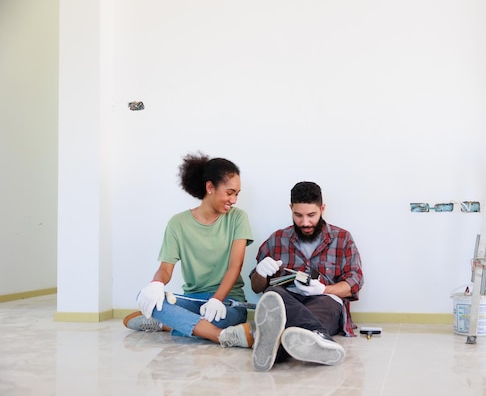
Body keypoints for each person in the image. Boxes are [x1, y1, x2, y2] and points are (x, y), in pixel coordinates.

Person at [123, 152, 254, 348]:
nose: (234, 200)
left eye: (237, 194)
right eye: (229, 193)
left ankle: (167, 323)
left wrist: (217, 299)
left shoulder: (238, 218)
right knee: (145, 297)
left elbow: (235, 266)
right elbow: (166, 269)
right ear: (210, 187)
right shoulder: (178, 224)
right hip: (192, 298)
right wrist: (156, 284)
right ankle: (222, 336)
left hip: (228, 299)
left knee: (219, 318)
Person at [249, 181, 364, 371]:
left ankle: (276, 348)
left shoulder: (342, 238)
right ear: (290, 209)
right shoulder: (277, 239)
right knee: (273, 294)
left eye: (311, 215)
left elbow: (355, 282)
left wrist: (325, 289)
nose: (305, 222)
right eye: (298, 215)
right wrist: (260, 273)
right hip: (289, 300)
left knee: (325, 306)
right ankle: (317, 336)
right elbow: (256, 287)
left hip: (325, 301)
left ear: (322, 209)